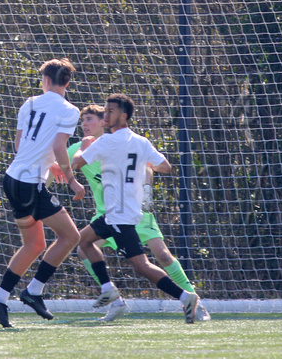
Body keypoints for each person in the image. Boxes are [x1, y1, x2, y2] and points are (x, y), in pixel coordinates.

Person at [64, 104, 210, 321]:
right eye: (83, 120)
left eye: (106, 114)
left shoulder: (108, 141)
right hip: (114, 213)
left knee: (145, 263)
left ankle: (187, 297)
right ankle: (111, 294)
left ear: (121, 116)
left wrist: (84, 148)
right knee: (83, 243)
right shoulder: (133, 141)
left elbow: (76, 163)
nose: (86, 123)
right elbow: (165, 166)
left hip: (121, 213)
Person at [0, 58, 85, 328]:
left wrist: (48, 164)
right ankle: (33, 291)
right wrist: (72, 180)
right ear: (67, 82)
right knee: (70, 236)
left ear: (45, 81)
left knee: (35, 244)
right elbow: (58, 145)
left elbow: (21, 144)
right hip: (30, 184)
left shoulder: (29, 103)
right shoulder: (70, 110)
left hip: (13, 179)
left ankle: (0, 298)